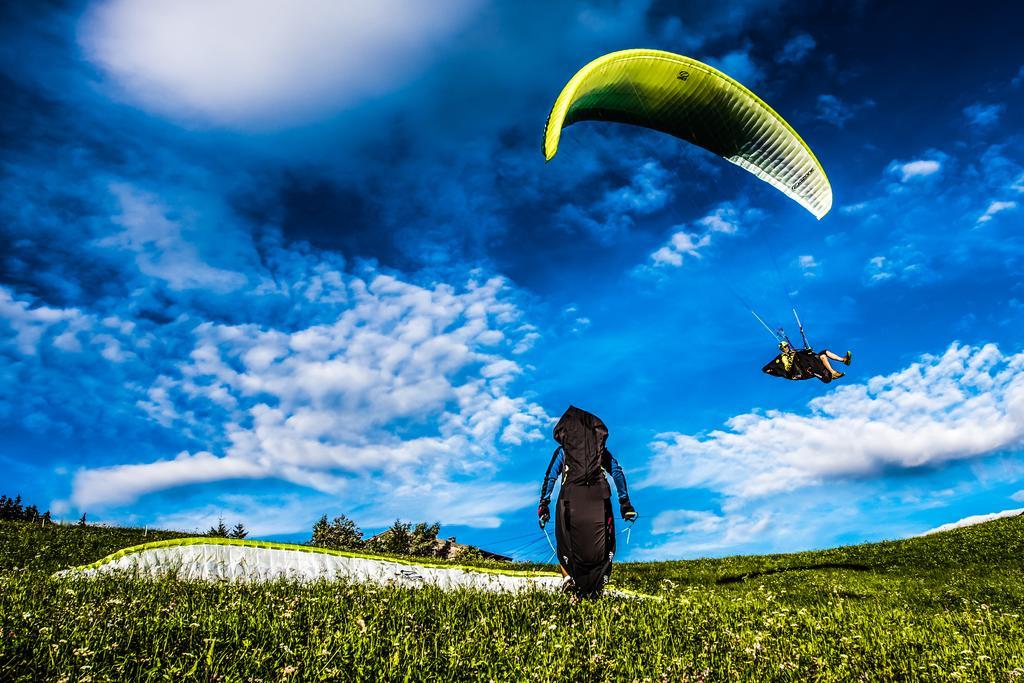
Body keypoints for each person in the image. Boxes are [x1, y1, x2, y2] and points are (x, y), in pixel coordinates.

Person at [537, 405, 636, 598]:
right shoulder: (599, 451)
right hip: (598, 500)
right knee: (605, 544)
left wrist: (544, 504)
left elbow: (550, 477)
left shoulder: (563, 452)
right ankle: (598, 585)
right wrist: (625, 504)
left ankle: (567, 579)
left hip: (570, 500)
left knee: (564, 541)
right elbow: (616, 471)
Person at [762, 340, 852, 383]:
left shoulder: (795, 352)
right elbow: (766, 368)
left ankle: (844, 360)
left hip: (811, 365)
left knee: (824, 354)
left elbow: (803, 353)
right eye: (783, 347)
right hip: (801, 372)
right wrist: (773, 371)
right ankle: (831, 373)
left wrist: (808, 351)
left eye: (786, 346)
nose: (786, 348)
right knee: (826, 378)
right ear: (781, 349)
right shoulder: (781, 358)